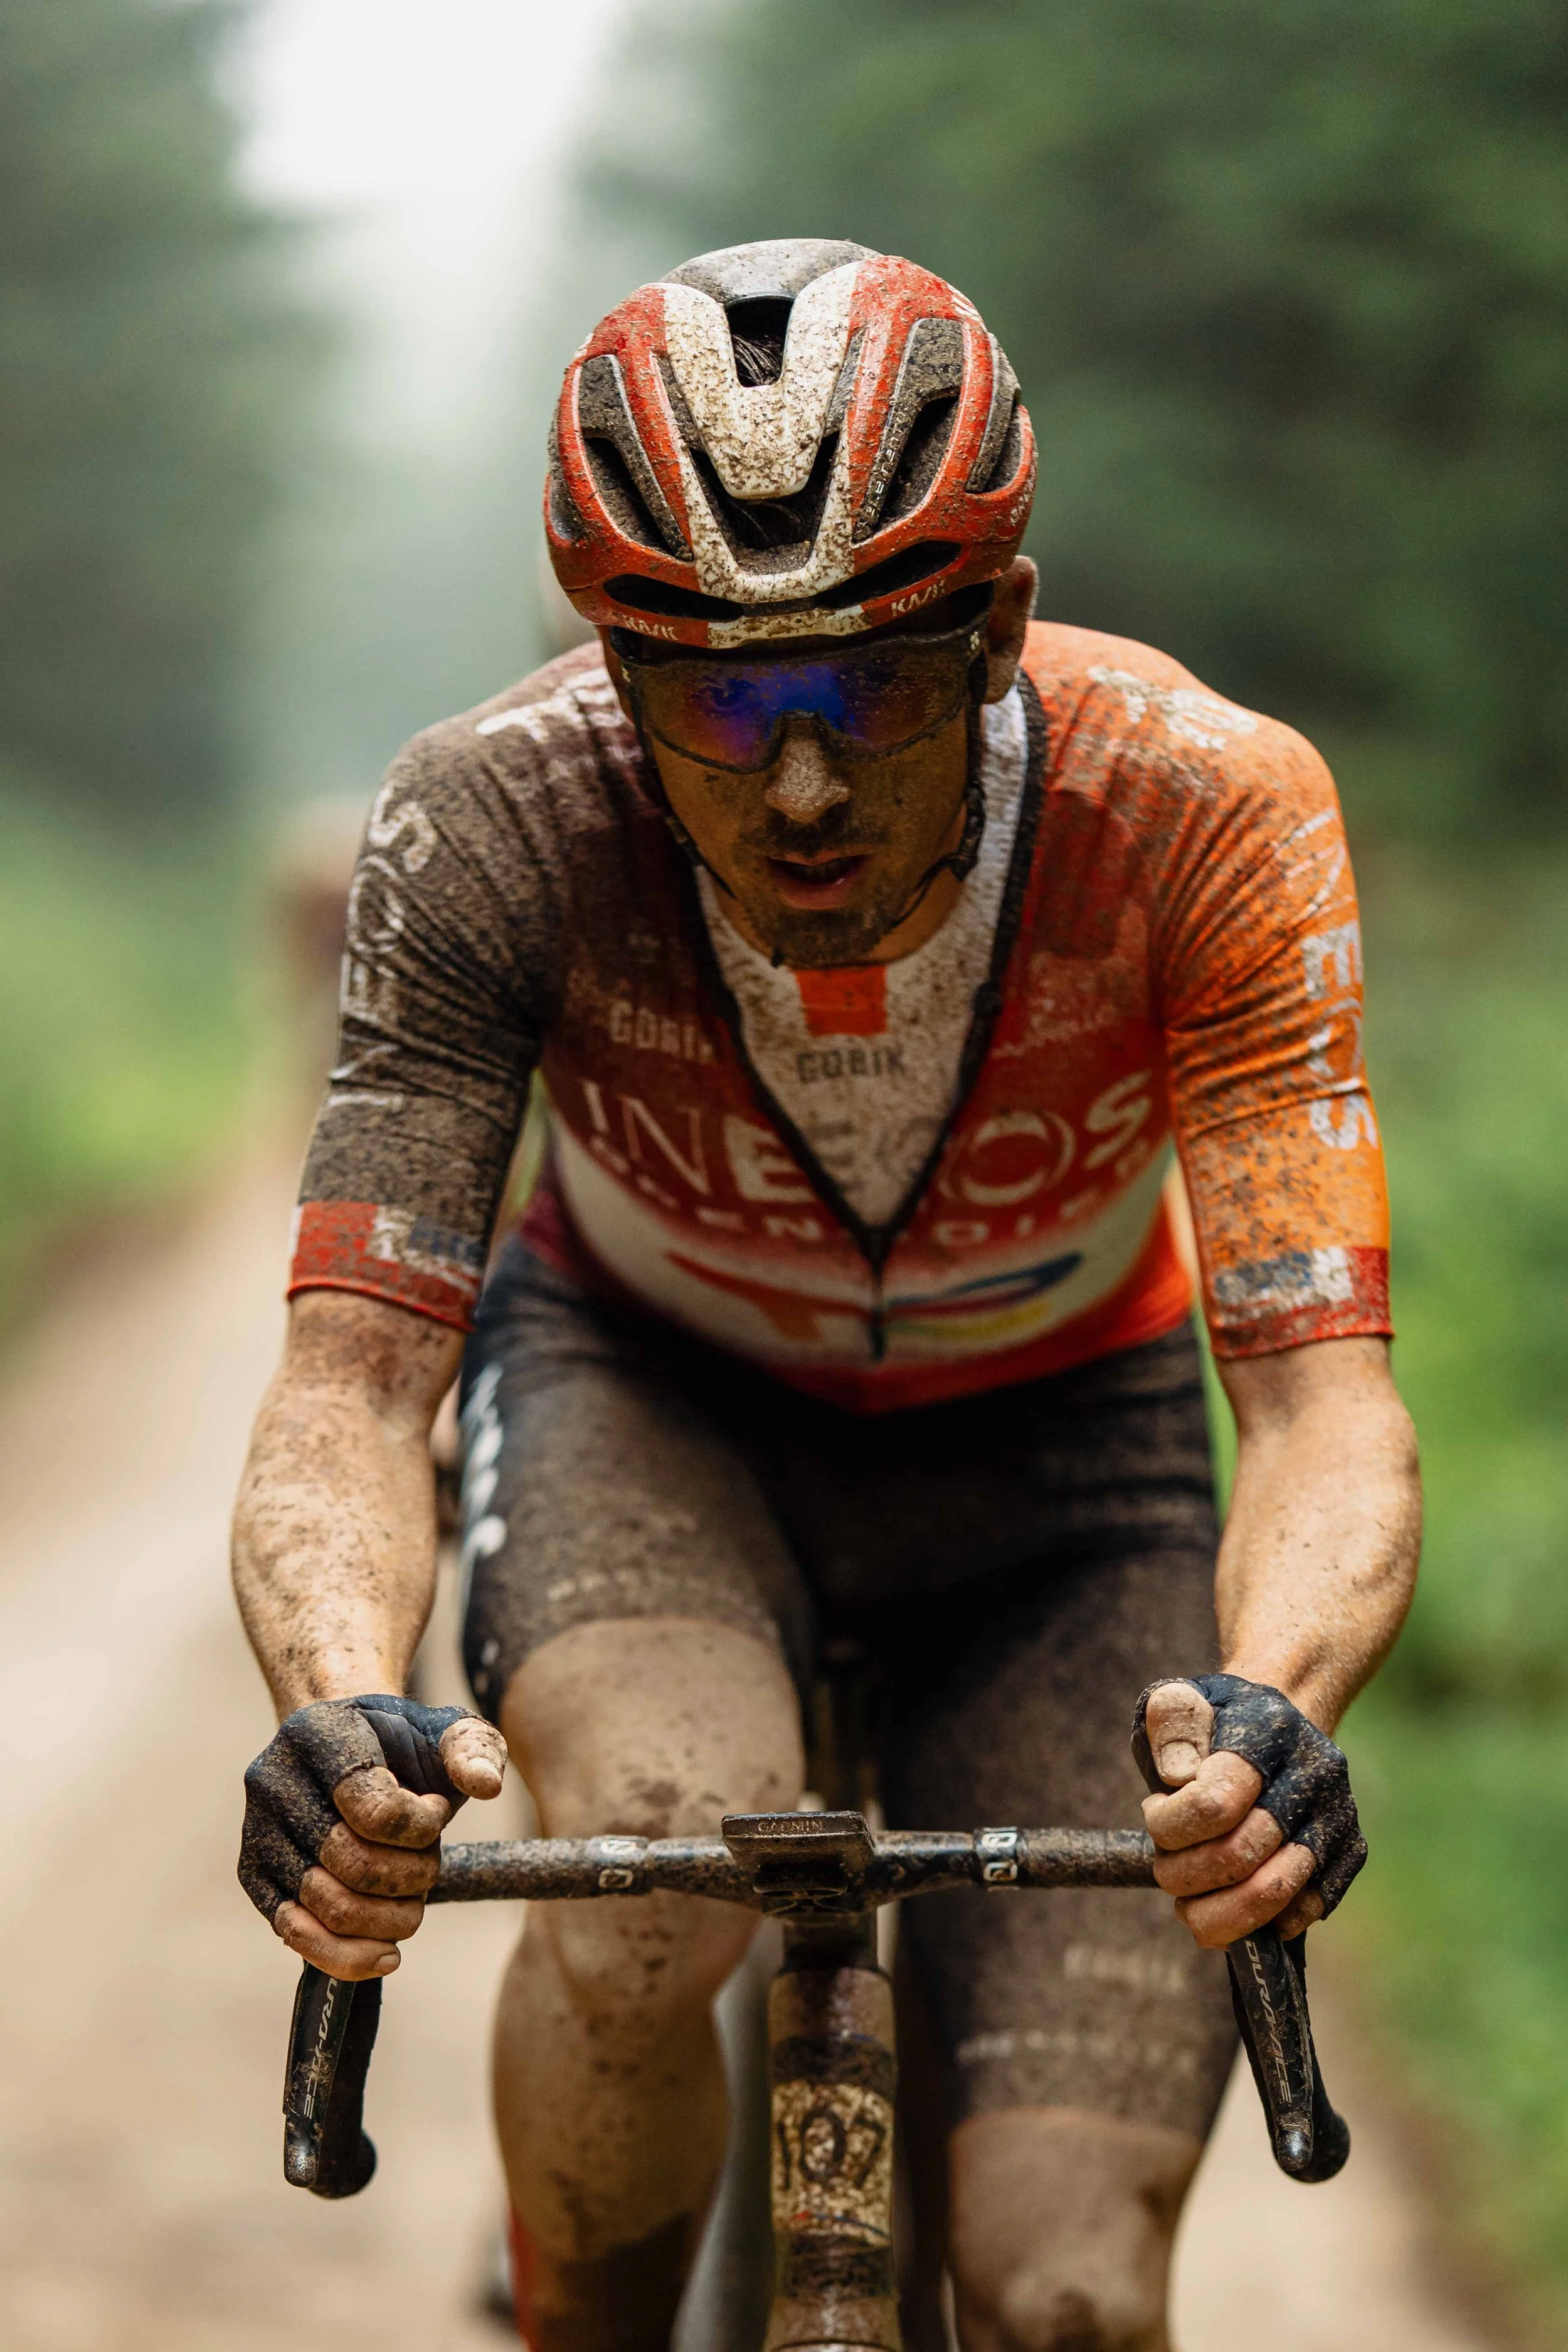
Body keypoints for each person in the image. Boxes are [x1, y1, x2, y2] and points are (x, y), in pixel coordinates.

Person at [233, 239, 1420, 2352]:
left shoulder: (1204, 807)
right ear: (610, 670)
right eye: (716, 695)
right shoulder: (485, 823)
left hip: (1072, 1455)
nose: (795, 782)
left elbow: (1322, 1402)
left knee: (1063, 2289)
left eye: (867, 685)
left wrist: (1278, 1716)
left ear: (998, 635)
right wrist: (342, 1701)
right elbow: (354, 1374)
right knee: (655, 1862)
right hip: (651, 1407)